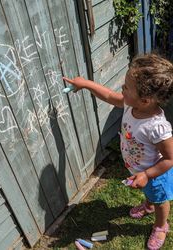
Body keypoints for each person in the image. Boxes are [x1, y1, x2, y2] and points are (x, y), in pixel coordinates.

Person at [63, 54, 173, 250]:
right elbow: (107, 95)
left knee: (161, 200)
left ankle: (161, 225)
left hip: (156, 175)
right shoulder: (130, 105)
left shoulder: (157, 127)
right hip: (139, 170)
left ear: (146, 100)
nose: (122, 88)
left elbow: (170, 158)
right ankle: (148, 206)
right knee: (149, 196)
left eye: (127, 87)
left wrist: (147, 174)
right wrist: (85, 83)